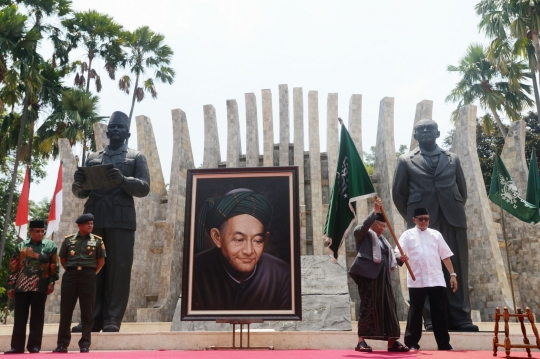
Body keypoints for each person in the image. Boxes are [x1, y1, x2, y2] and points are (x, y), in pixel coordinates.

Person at [392, 118, 478, 332]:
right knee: (424, 267)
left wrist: (450, 208)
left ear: (438, 133)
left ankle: (460, 316)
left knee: (456, 266)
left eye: (430, 128)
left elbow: (462, 191)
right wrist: (416, 218)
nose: (425, 131)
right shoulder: (406, 160)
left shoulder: (453, 158)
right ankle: (431, 317)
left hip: (453, 218)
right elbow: (398, 195)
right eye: (420, 129)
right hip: (422, 221)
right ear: (415, 136)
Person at [71, 111, 150, 332]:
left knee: (119, 269)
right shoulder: (94, 158)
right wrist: (79, 184)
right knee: (92, 269)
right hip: (95, 218)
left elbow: (144, 188)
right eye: (112, 127)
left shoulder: (136, 157)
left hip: (121, 220)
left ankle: (112, 318)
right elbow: (79, 193)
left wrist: (124, 180)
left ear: (128, 133)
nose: (115, 130)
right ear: (107, 131)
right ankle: (91, 318)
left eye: (120, 127)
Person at [191, 188, 291, 311]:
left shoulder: (283, 276)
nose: (249, 251)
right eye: (239, 240)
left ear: (265, 239)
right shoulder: (195, 272)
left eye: (257, 241)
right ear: (217, 237)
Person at [348, 198, 409, 353]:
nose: (382, 229)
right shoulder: (362, 234)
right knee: (368, 306)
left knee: (389, 307)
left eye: (384, 226)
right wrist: (375, 211)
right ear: (373, 224)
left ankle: (392, 342)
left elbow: (386, 258)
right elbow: (364, 226)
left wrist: (399, 259)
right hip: (369, 277)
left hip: (384, 278)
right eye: (380, 225)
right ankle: (361, 341)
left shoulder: (383, 242)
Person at [396, 208, 457, 351]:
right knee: (415, 313)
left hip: (436, 279)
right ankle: (412, 342)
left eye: (426, 219)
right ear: (414, 220)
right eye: (421, 218)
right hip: (417, 279)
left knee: (440, 313)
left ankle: (443, 344)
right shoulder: (407, 235)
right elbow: (398, 253)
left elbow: (445, 255)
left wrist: (453, 275)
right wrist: (401, 257)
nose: (424, 221)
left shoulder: (436, 235)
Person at [4, 220, 59, 354]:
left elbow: (54, 266)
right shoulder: (21, 246)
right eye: (37, 231)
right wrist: (11, 286)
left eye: (42, 231)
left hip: (40, 287)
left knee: (37, 318)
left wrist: (52, 282)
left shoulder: (50, 245)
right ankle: (16, 347)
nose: (40, 234)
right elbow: (13, 268)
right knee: (19, 318)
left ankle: (34, 346)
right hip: (22, 287)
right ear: (30, 232)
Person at [53, 214, 105, 353]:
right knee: (66, 310)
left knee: (87, 311)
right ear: (79, 225)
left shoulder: (97, 241)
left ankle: (85, 344)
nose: (90, 226)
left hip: (88, 275)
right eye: (87, 223)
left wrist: (91, 273)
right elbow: (63, 259)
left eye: (91, 223)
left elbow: (101, 261)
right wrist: (72, 270)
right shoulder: (69, 240)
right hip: (71, 275)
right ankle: (62, 344)